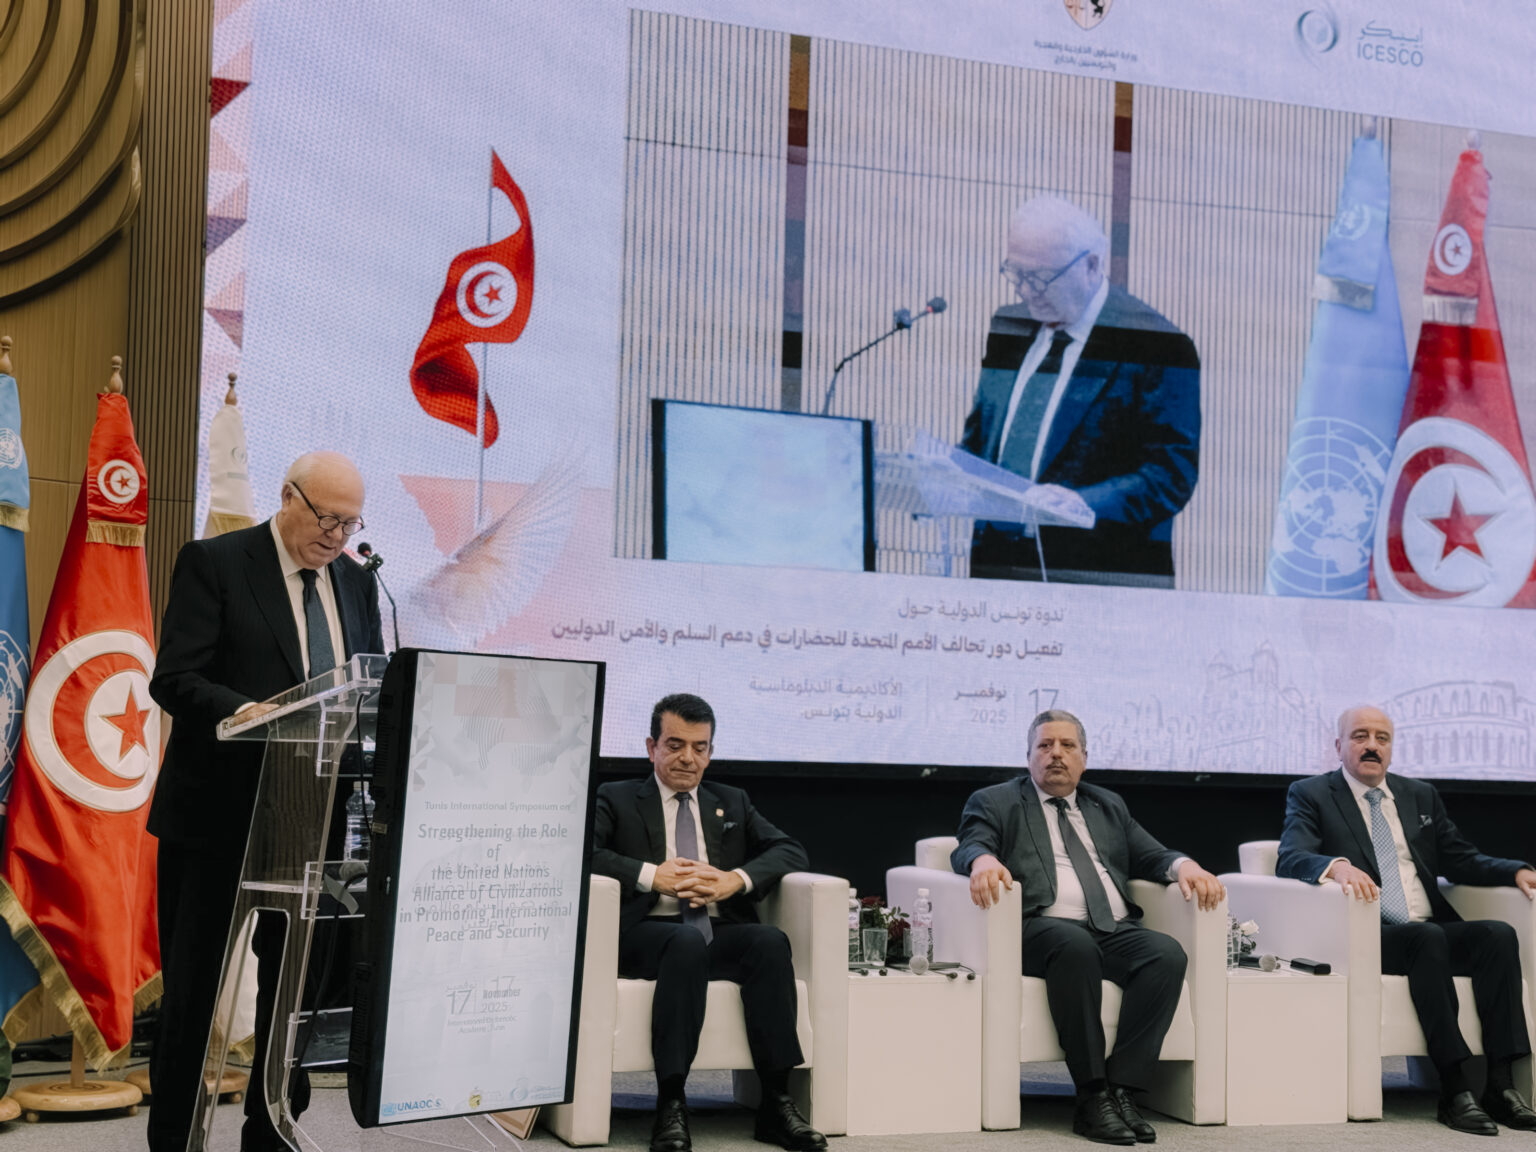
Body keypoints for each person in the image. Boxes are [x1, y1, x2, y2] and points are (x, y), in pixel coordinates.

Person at [148, 451, 383, 1152]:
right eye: (326, 519)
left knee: (294, 995)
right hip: (215, 816)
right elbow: (175, 678)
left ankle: (272, 1132)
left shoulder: (356, 584)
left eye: (349, 524)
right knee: (194, 994)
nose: (337, 536)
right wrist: (249, 712)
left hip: (313, 818)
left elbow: (365, 689)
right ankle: (174, 1140)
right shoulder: (216, 563)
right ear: (287, 496)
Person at [952, 709, 1225, 1145]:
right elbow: (971, 843)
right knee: (1074, 945)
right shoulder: (996, 801)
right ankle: (1091, 1095)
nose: (1056, 754)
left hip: (1110, 927)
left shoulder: (1106, 804)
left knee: (1165, 954)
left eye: (1067, 746)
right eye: (1045, 746)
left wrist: (1185, 866)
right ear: (1028, 756)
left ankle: (1123, 1090)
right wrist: (983, 860)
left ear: (1084, 758)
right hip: (1038, 927)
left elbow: (1152, 854)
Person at [1277, 704, 1536, 1136]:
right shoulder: (1312, 793)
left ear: (1391, 748)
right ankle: (1454, 1088)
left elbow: (1460, 859)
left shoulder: (1419, 795)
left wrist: (1514, 871)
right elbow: (1291, 856)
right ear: (1339, 746)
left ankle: (1500, 1084)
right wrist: (1336, 866)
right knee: (1425, 937)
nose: (1372, 746)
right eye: (1360, 736)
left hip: (1427, 927)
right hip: (1370, 933)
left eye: (1382, 738)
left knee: (1497, 935)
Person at [591, 693, 825, 1152]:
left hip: (714, 931)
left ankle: (776, 1102)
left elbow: (790, 850)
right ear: (651, 747)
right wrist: (650, 875)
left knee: (769, 942)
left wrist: (733, 880)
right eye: (675, 745)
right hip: (642, 935)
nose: (688, 758)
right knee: (683, 942)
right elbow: (585, 853)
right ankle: (671, 1102)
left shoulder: (731, 801)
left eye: (699, 747)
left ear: (711, 752)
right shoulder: (616, 797)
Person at [960, 194, 1200, 588]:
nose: (1026, 291)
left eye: (1041, 277)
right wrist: (940, 474)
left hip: (1096, 579)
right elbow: (981, 440)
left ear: (1091, 265)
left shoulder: (1156, 344)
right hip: (997, 574)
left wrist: (1083, 504)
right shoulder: (1009, 326)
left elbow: (1171, 476)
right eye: (1016, 273)